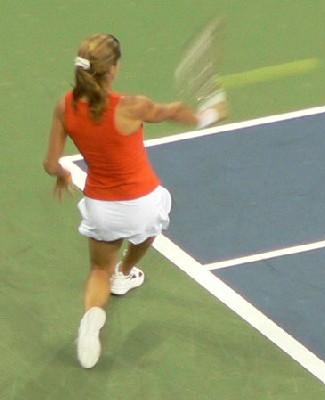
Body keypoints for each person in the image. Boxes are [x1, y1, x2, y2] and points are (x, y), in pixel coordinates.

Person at [43, 33, 228, 369]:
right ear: (113, 70)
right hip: (142, 203)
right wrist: (210, 115)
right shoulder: (133, 106)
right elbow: (173, 111)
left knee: (99, 269)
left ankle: (91, 318)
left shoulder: (64, 105)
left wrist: (63, 175)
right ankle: (126, 271)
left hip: (101, 208)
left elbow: (50, 163)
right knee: (148, 230)